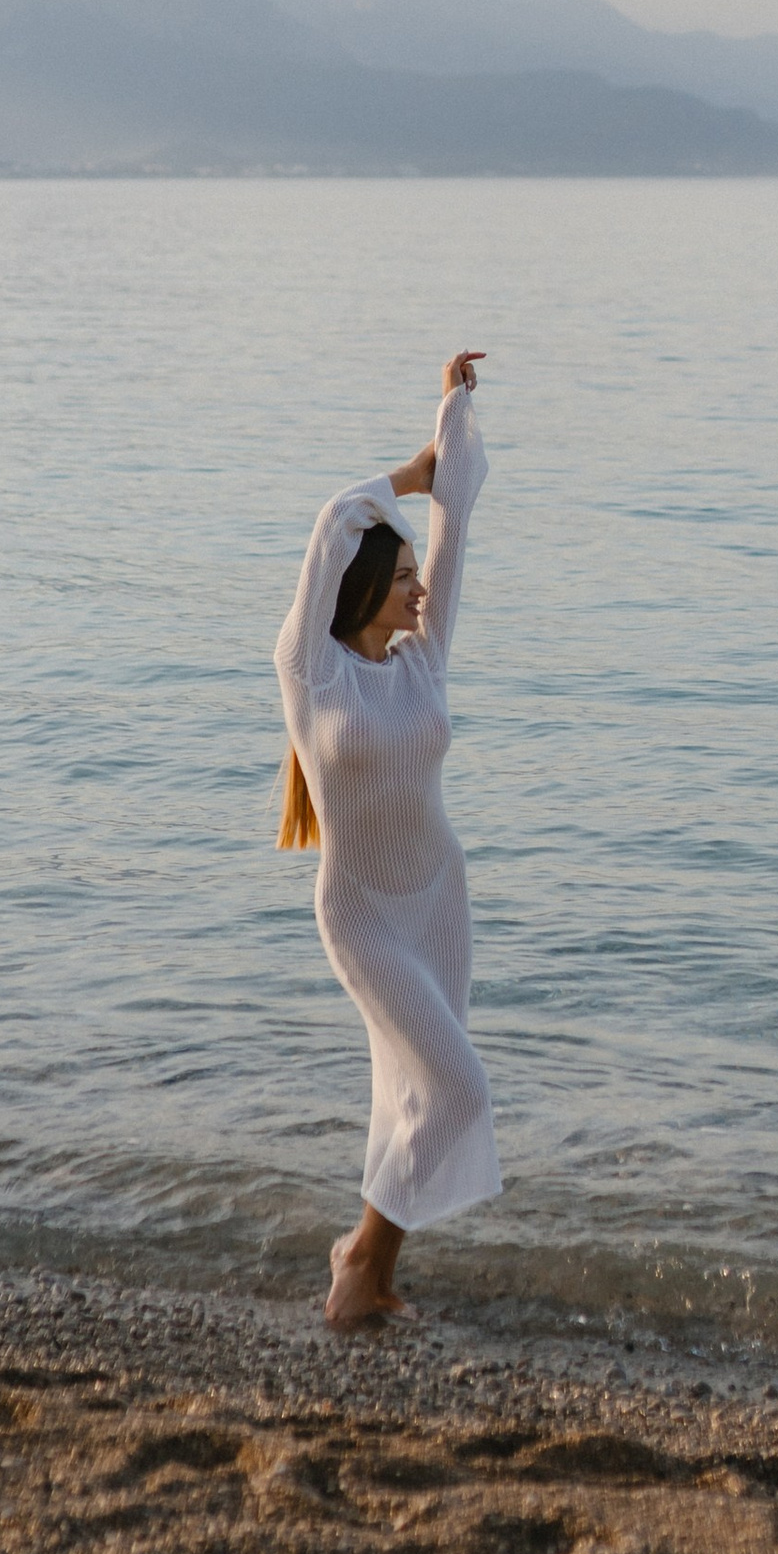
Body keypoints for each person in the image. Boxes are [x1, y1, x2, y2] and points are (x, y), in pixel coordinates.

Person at [274, 349, 496, 1329]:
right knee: (456, 1085)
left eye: (415, 578)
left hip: (436, 897)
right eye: (400, 577)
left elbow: (459, 522)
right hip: (362, 914)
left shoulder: (422, 657)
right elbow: (333, 522)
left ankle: (369, 1271)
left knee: (420, 1093)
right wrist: (405, 474)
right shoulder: (312, 674)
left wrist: (451, 412)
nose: (416, 591)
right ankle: (360, 1264)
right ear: (361, 587)